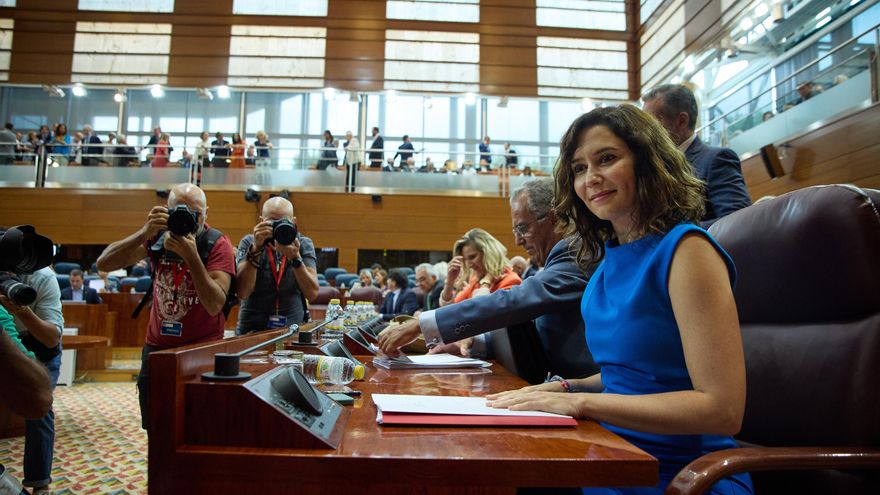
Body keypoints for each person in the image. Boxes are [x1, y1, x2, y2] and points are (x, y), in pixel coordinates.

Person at [486, 105, 753, 495]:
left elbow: (722, 410)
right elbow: (629, 376)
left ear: (647, 162)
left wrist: (583, 405)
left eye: (606, 159)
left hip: (682, 476)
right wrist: (565, 388)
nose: (591, 178)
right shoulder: (608, 260)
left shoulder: (687, 250)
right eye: (578, 168)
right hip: (614, 455)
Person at [379, 178, 597, 379]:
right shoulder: (560, 257)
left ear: (553, 218)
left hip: (579, 390)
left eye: (523, 228)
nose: (518, 241)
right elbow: (531, 334)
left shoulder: (576, 252)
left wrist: (421, 324)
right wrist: (472, 345)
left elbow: (513, 303)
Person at [96, 183, 236, 430]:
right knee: (156, 428)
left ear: (206, 213)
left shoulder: (216, 243)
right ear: (166, 211)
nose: (187, 218)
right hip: (157, 350)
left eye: (196, 213)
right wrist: (144, 232)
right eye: (179, 211)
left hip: (201, 351)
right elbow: (104, 264)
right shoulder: (156, 237)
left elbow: (215, 304)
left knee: (199, 428)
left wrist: (192, 257)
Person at [642, 84, 751, 227]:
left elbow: (737, 220)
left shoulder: (716, 159)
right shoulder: (652, 168)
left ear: (682, 120)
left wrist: (676, 235)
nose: (646, 133)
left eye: (653, 124)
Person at [0, 259, 64, 494]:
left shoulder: (42, 278)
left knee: (40, 409)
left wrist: (23, 311)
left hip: (39, 343)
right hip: (6, 335)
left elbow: (51, 338)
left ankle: (39, 482)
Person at [235, 196, 319, 335]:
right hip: (251, 330)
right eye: (271, 222)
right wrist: (256, 250)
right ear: (261, 221)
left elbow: (312, 294)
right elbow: (243, 292)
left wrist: (295, 258)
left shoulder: (302, 244)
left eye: (283, 222)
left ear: (294, 222)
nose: (277, 228)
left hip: (293, 329)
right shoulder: (249, 243)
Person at [441, 228, 520, 308]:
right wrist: (450, 281)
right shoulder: (476, 281)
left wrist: (485, 283)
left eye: (472, 257)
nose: (469, 265)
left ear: (489, 253)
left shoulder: (511, 281)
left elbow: (481, 310)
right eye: (465, 260)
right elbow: (450, 309)